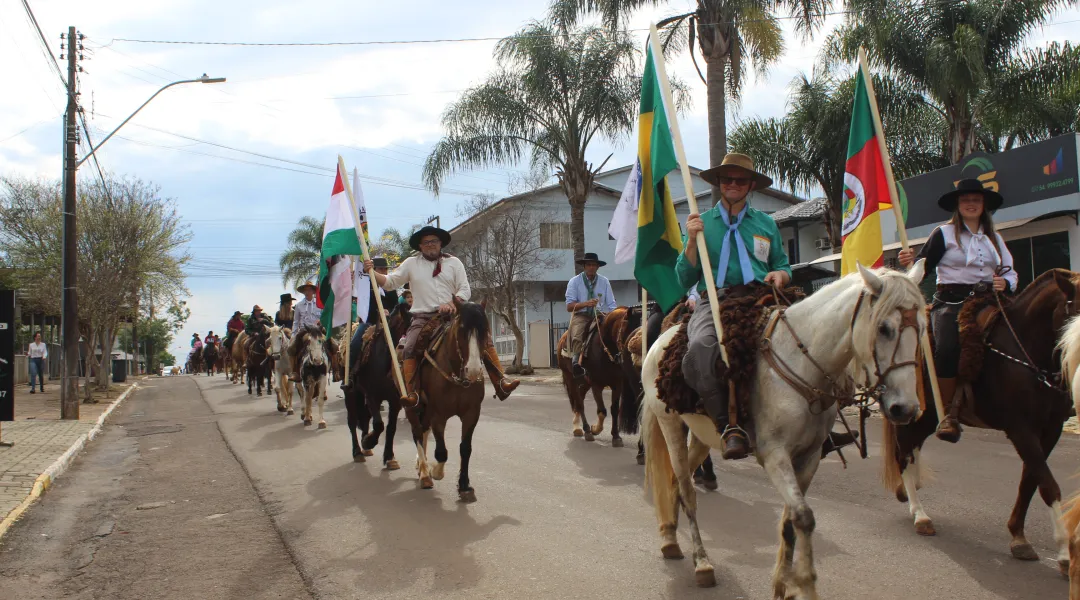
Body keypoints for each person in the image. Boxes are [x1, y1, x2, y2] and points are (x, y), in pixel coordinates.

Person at [675, 153, 791, 460]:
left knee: (808, 337)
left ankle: (818, 420)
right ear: (719, 184)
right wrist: (689, 243)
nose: (734, 184)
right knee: (701, 346)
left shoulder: (766, 224)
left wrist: (780, 274)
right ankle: (729, 427)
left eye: (740, 180)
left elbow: (781, 264)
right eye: (728, 179)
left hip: (760, 297)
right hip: (715, 299)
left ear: (751, 185)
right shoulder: (700, 224)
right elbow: (683, 276)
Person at [898, 178, 1017, 443]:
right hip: (951, 302)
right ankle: (948, 412)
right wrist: (909, 263)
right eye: (965, 200)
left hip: (989, 300)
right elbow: (922, 266)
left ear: (983, 204)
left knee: (1022, 332)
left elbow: (1009, 270)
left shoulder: (994, 238)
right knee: (948, 346)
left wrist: (1006, 282)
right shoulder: (943, 233)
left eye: (976, 200)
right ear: (958, 205)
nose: (971, 204)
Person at [363, 225, 519, 407]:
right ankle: (413, 393)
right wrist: (371, 272)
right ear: (420, 246)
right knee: (409, 347)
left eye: (434, 241)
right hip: (423, 317)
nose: (431, 245)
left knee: (484, 338)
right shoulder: (411, 264)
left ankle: (501, 382)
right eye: (426, 242)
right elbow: (390, 283)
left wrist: (453, 304)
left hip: (453, 315)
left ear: (440, 244)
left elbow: (465, 289)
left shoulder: (454, 263)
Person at [565, 252, 618, 377]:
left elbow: (611, 304)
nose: (591, 267)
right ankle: (576, 363)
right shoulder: (574, 282)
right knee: (577, 334)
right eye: (589, 265)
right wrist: (586, 304)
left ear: (598, 267)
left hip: (599, 315)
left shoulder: (604, 281)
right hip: (581, 315)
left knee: (614, 332)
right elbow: (569, 306)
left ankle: (616, 358)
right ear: (584, 266)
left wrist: (612, 315)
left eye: (594, 265)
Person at [348, 256, 399, 373]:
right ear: (373, 269)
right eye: (381, 269)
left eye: (385, 269)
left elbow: (396, 305)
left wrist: (389, 312)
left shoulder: (390, 286)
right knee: (355, 344)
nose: (384, 272)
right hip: (368, 322)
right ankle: (350, 373)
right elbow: (360, 302)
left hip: (389, 323)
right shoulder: (364, 284)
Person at [288, 282, 323, 382]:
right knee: (291, 348)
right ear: (303, 292)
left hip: (318, 330)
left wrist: (321, 321)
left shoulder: (319, 304)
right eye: (305, 290)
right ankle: (295, 372)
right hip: (304, 331)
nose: (307, 292)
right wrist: (293, 335)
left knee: (332, 344)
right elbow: (295, 321)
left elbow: (324, 317)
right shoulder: (299, 306)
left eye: (309, 290)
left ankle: (335, 369)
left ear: (313, 291)